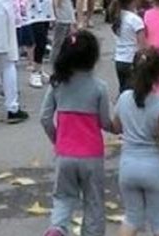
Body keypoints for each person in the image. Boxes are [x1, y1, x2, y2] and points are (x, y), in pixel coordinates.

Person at [41, 30, 115, 236]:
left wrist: (58, 140)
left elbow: (44, 118)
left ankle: (57, 228)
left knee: (63, 197)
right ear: (93, 58)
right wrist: (119, 127)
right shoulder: (99, 87)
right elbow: (105, 122)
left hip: (65, 154)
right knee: (94, 202)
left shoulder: (57, 83)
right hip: (92, 155)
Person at [114, 47, 159, 236]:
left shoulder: (124, 98)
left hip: (128, 165)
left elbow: (116, 126)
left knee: (131, 219)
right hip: (154, 166)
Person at [110, 0, 146, 95]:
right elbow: (142, 45)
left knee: (123, 90)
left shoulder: (117, 15)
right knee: (133, 92)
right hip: (132, 59)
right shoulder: (135, 20)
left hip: (119, 59)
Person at [50, 0, 76, 66]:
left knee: (66, 41)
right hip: (62, 19)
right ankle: (55, 61)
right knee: (58, 42)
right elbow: (56, 4)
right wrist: (55, 17)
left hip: (66, 19)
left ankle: (64, 60)